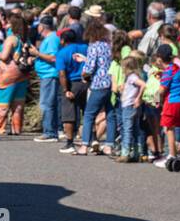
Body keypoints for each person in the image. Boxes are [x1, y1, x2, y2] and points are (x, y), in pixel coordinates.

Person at [75, 22, 112, 155]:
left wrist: (84, 74)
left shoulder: (93, 46)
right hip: (110, 83)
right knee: (110, 114)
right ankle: (109, 145)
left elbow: (90, 68)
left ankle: (85, 145)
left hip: (98, 83)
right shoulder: (108, 46)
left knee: (89, 114)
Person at [155, 43, 180, 165]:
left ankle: (171, 156)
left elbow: (161, 90)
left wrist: (156, 99)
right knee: (172, 128)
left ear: (159, 58)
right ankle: (173, 153)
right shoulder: (176, 68)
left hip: (172, 102)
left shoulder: (168, 71)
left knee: (168, 129)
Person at [56, 28, 86, 153]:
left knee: (69, 115)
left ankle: (69, 142)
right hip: (87, 82)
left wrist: (65, 89)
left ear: (63, 40)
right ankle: (92, 139)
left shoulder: (62, 53)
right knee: (88, 113)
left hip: (72, 82)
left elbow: (62, 74)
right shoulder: (85, 48)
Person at [30, 16, 61, 141]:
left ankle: (50, 132)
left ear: (42, 27)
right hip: (46, 74)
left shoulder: (52, 39)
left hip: (50, 74)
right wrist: (36, 58)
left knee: (47, 103)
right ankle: (51, 131)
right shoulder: (49, 38)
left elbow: (53, 57)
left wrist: (37, 53)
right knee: (49, 103)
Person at [115, 54, 145, 163]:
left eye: (123, 67)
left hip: (129, 106)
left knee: (127, 129)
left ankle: (125, 153)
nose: (122, 69)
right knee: (135, 129)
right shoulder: (131, 77)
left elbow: (143, 85)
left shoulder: (132, 77)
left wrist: (138, 98)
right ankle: (137, 152)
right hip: (132, 106)